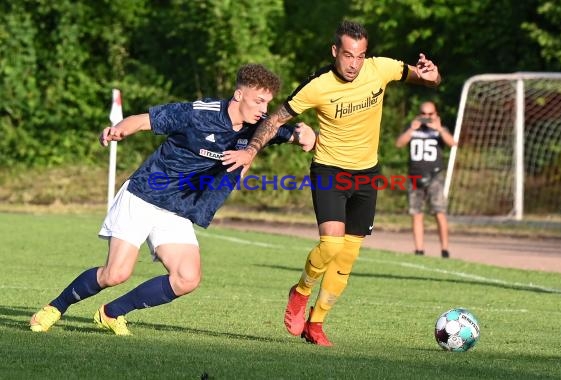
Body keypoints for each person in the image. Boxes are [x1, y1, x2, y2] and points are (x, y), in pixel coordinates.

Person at [29, 63, 316, 335]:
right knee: (115, 274)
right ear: (239, 94)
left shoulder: (260, 127)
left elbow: (294, 134)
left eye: (268, 103)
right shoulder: (198, 113)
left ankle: (111, 313)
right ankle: (55, 307)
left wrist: (306, 135)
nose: (263, 109)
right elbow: (143, 121)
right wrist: (119, 130)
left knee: (187, 278)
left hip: (177, 210)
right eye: (258, 101)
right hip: (144, 195)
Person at [222, 20, 441, 346]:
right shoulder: (317, 85)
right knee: (331, 246)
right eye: (349, 55)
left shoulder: (381, 68)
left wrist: (432, 75)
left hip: (368, 173)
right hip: (330, 170)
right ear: (335, 51)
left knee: (348, 257)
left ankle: (317, 322)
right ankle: (301, 291)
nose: (355, 63)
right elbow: (276, 118)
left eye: (361, 55)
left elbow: (426, 79)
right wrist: (251, 150)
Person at [395, 101, 456, 258]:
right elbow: (399, 143)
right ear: (419, 114)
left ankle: (444, 249)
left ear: (436, 114)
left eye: (431, 114)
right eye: (424, 114)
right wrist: (411, 129)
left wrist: (439, 128)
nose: (427, 117)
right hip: (415, 176)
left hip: (435, 175)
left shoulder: (439, 130)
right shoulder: (413, 128)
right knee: (416, 213)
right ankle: (419, 249)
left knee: (439, 212)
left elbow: (453, 143)